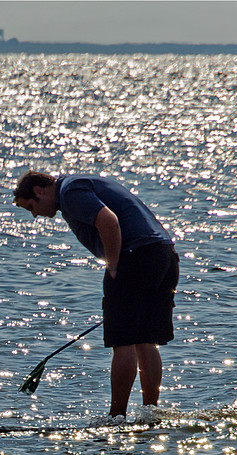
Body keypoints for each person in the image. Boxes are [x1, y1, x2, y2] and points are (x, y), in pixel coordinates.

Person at [13, 171, 179, 417]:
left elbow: (109, 221)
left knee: (123, 342)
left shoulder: (70, 192)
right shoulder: (80, 183)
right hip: (164, 254)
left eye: (31, 208)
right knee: (146, 340)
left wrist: (113, 266)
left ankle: (116, 418)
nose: (35, 215)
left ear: (39, 191)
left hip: (135, 258)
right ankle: (150, 413)